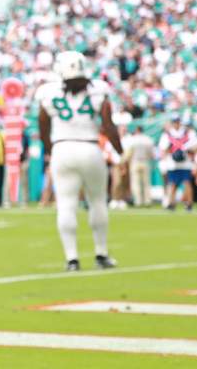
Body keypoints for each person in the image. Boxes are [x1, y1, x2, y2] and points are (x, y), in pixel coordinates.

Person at [36, 51, 123, 272]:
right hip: (90, 147)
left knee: (66, 204)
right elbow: (108, 125)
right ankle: (101, 254)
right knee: (97, 201)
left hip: (62, 147)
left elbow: (43, 126)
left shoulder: (48, 92)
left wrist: (51, 151)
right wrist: (120, 152)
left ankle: (72, 259)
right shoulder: (98, 90)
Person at [158, 116, 197, 211]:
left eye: (178, 122)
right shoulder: (167, 134)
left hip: (185, 162)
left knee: (187, 183)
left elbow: (195, 146)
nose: (176, 124)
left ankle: (189, 203)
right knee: (173, 184)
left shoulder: (188, 133)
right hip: (172, 163)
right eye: (175, 122)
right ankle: (171, 203)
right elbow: (163, 149)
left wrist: (186, 150)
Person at [125, 124, 155, 207]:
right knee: (146, 183)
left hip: (135, 162)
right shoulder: (148, 139)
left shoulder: (133, 140)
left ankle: (138, 201)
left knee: (136, 182)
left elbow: (129, 153)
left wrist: (126, 161)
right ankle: (147, 201)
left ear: (137, 130)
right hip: (145, 161)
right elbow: (151, 153)